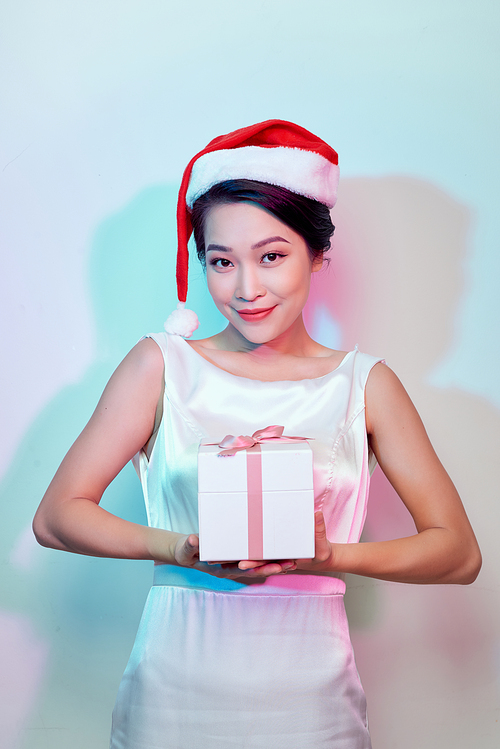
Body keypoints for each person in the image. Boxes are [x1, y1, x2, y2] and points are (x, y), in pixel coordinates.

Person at [33, 120, 481, 749]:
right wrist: (181, 548)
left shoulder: (365, 385)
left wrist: (331, 557)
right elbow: (56, 517)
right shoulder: (161, 366)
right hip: (176, 692)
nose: (245, 290)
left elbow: (458, 553)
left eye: (271, 257)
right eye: (221, 262)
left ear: (319, 253)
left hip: (311, 705)